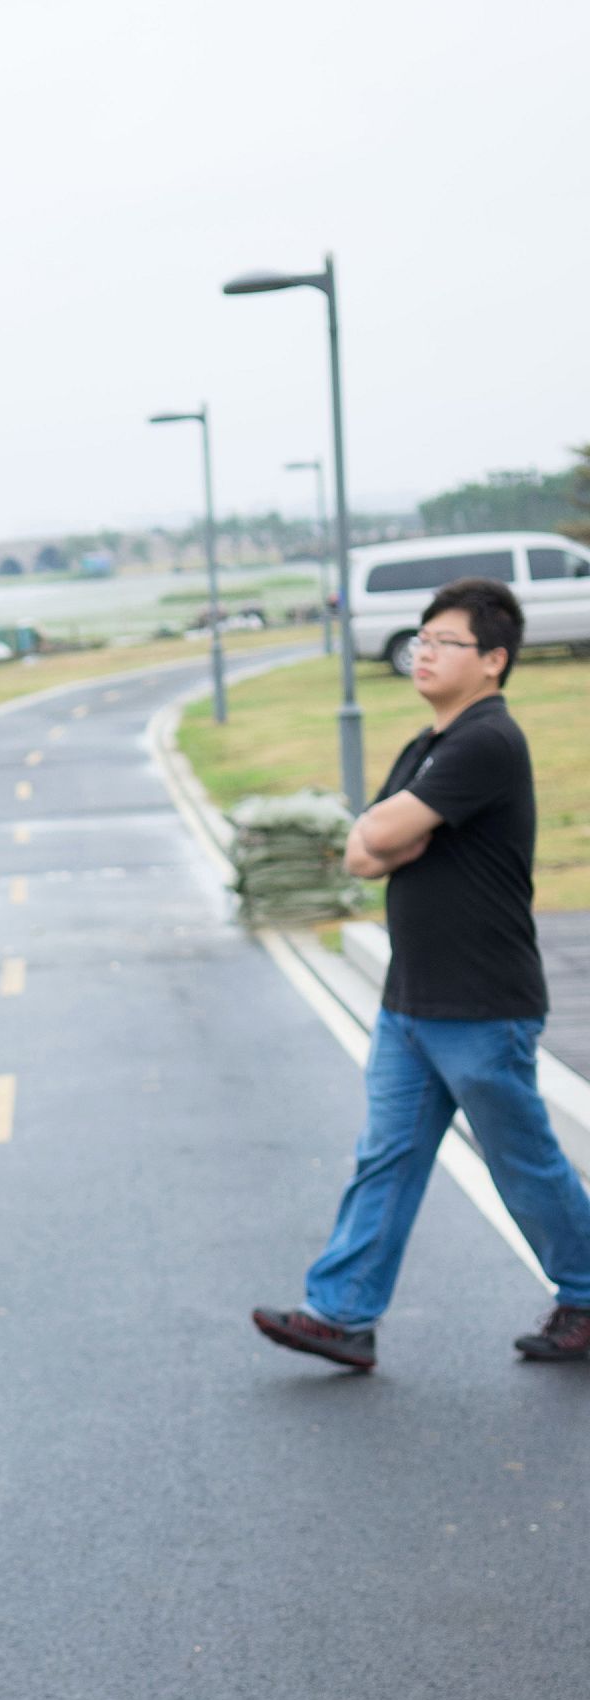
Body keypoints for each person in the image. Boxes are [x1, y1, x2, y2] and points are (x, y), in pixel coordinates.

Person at [253, 576, 590, 1371]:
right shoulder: (430, 743)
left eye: (447, 643)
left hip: (480, 1000)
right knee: (388, 1157)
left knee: (521, 1159)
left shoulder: (486, 741)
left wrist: (396, 831)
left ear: (495, 661)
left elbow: (382, 833)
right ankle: (340, 1315)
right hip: (413, 1000)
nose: (425, 652)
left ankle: (585, 1290)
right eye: (423, 639)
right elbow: (363, 848)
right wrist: (393, 833)